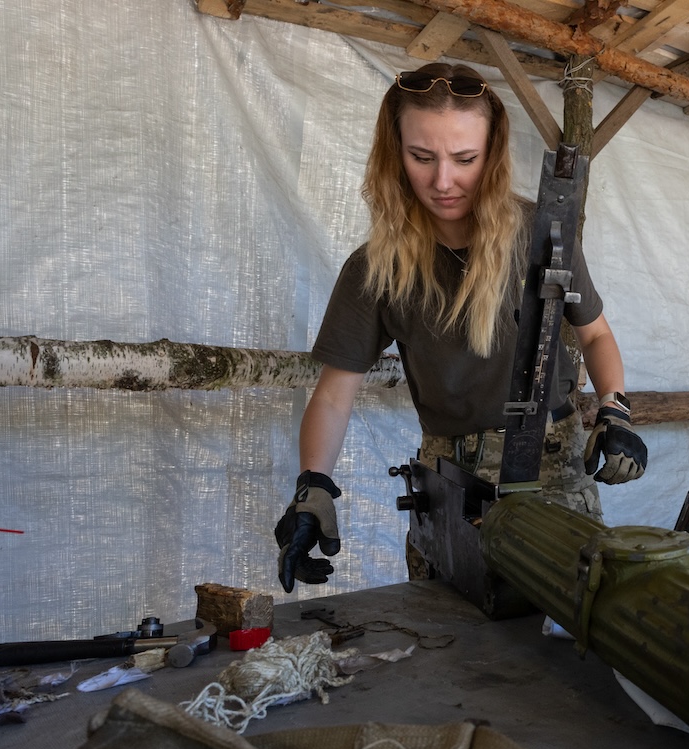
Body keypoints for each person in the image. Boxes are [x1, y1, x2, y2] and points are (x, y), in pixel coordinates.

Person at [273, 62, 648, 592]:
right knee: (448, 628)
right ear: (394, 153)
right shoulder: (376, 268)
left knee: (569, 618)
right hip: (450, 481)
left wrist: (615, 410)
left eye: (465, 159)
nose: (443, 181)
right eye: (421, 157)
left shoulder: (542, 234)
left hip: (552, 468)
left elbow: (596, 334)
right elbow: (334, 396)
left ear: (491, 155)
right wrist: (313, 486)